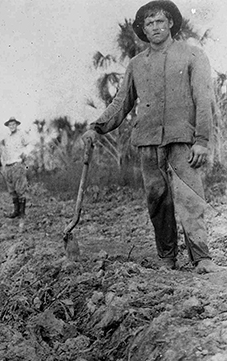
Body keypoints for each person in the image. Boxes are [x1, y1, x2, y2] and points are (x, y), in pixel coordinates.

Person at [83, 0, 222, 274]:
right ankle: (166, 258)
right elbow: (121, 102)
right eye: (149, 23)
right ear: (143, 30)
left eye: (160, 21)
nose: (155, 27)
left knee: (190, 198)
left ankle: (202, 258)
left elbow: (203, 100)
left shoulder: (192, 55)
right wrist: (96, 127)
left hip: (183, 141)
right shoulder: (136, 64)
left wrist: (202, 141)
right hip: (148, 142)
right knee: (157, 200)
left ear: (170, 23)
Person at [0, 117, 32, 218]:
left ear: (16, 125)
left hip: (17, 164)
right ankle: (16, 211)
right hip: (8, 165)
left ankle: (22, 212)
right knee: (11, 190)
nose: (12, 126)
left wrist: (25, 154)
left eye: (13, 124)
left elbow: (29, 144)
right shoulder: (6, 137)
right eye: (10, 125)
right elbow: (3, 149)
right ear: (8, 126)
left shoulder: (21, 134)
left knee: (20, 188)